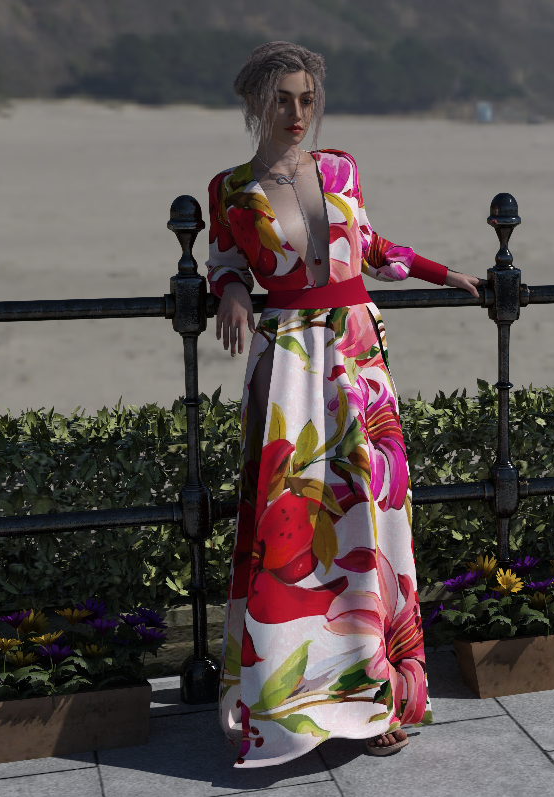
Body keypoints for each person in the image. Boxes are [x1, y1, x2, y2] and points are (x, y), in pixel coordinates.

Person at [207, 41, 483, 768]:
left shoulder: (340, 168)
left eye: (306, 99)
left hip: (358, 358)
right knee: (290, 528)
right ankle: (287, 708)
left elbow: (372, 245)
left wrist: (442, 272)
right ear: (256, 104)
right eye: (281, 100)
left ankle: (379, 698)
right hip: (287, 364)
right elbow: (224, 263)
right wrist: (231, 293)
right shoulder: (230, 188)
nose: (296, 113)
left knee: (371, 523)